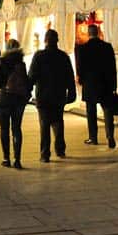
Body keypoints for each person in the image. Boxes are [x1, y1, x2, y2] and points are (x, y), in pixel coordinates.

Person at [28, 29, 77, 162]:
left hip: (43, 96)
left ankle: (45, 154)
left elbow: (32, 75)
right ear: (57, 40)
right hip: (58, 95)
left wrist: (27, 91)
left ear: (45, 40)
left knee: (44, 125)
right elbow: (69, 77)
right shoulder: (63, 56)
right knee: (58, 121)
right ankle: (60, 149)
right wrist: (72, 94)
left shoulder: (39, 56)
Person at [75, 24, 118, 147]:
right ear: (99, 33)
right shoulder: (107, 47)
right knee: (108, 110)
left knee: (91, 112)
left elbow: (80, 67)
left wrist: (82, 81)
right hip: (106, 83)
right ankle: (110, 137)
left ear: (89, 34)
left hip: (90, 84)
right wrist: (114, 84)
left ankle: (93, 137)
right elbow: (112, 67)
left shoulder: (83, 49)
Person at [0, 38, 29, 169]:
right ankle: (17, 159)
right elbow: (25, 81)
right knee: (17, 128)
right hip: (18, 100)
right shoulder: (21, 63)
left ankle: (6, 158)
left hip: (4, 99)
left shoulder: (1, 61)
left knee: (4, 129)